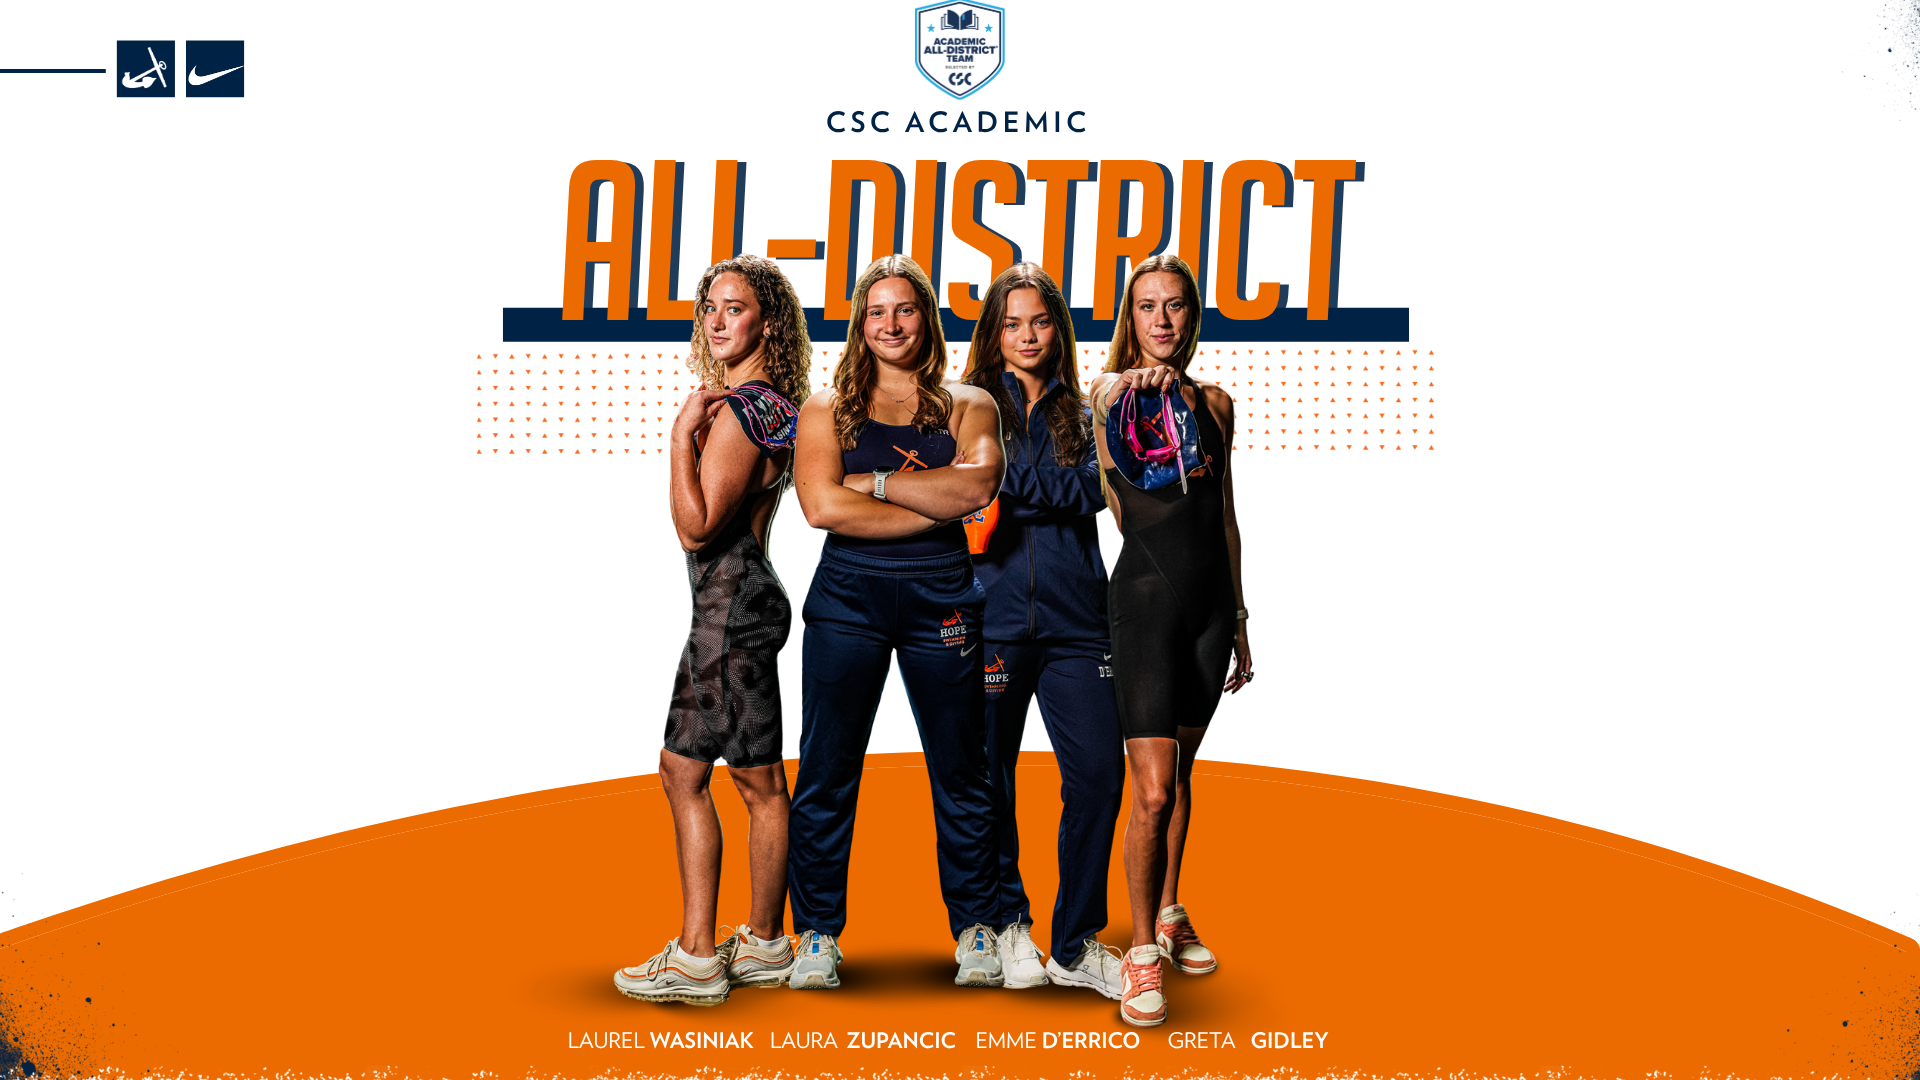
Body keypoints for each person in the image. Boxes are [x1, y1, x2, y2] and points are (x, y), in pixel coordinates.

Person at [785, 254, 1010, 990]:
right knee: (826, 771)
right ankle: (816, 933)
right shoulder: (825, 410)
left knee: (961, 768)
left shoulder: (970, 403)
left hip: (942, 599)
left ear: (927, 319)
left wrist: (874, 483)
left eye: (905, 310)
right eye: (876, 312)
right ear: (859, 324)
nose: (891, 324)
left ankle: (976, 927)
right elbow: (821, 508)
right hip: (848, 599)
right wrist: (926, 499)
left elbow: (977, 490)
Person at [614, 255, 812, 1006]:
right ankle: (762, 943)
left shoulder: (737, 411)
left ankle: (699, 955)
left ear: (766, 321)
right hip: (743, 605)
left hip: (729, 611)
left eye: (735, 308)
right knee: (758, 785)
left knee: (687, 773)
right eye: (710, 309)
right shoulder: (769, 404)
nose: (717, 321)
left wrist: (678, 437)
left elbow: (697, 528)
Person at [1088, 254, 1253, 1027]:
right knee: (1149, 790)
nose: (1162, 319)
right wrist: (1138, 400)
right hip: (1147, 603)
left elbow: (1224, 519)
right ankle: (1140, 955)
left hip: (1211, 608)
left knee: (1183, 776)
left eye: (1176, 306)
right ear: (1131, 317)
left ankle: (1168, 912)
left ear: (1192, 316)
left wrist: (1243, 618)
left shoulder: (1216, 403)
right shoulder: (1110, 396)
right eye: (1147, 306)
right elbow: (1122, 497)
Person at [959, 263, 1126, 999]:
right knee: (987, 779)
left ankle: (1075, 941)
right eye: (1012, 322)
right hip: (988, 617)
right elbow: (955, 491)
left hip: (1077, 623)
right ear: (994, 333)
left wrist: (1002, 483)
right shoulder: (964, 406)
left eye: (1040, 321)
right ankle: (1009, 923)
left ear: (1058, 329)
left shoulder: (1088, 408)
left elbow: (1097, 487)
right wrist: (1000, 484)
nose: (1027, 336)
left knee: (1097, 776)